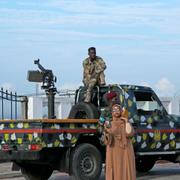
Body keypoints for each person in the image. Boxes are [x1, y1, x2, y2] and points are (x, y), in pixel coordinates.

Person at [104, 104, 136, 180]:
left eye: (118, 109)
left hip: (125, 150)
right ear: (111, 112)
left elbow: (129, 134)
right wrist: (107, 130)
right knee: (114, 168)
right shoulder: (109, 123)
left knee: (125, 167)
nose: (116, 111)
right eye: (114, 110)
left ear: (121, 111)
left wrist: (126, 120)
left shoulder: (125, 122)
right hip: (113, 150)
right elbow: (107, 140)